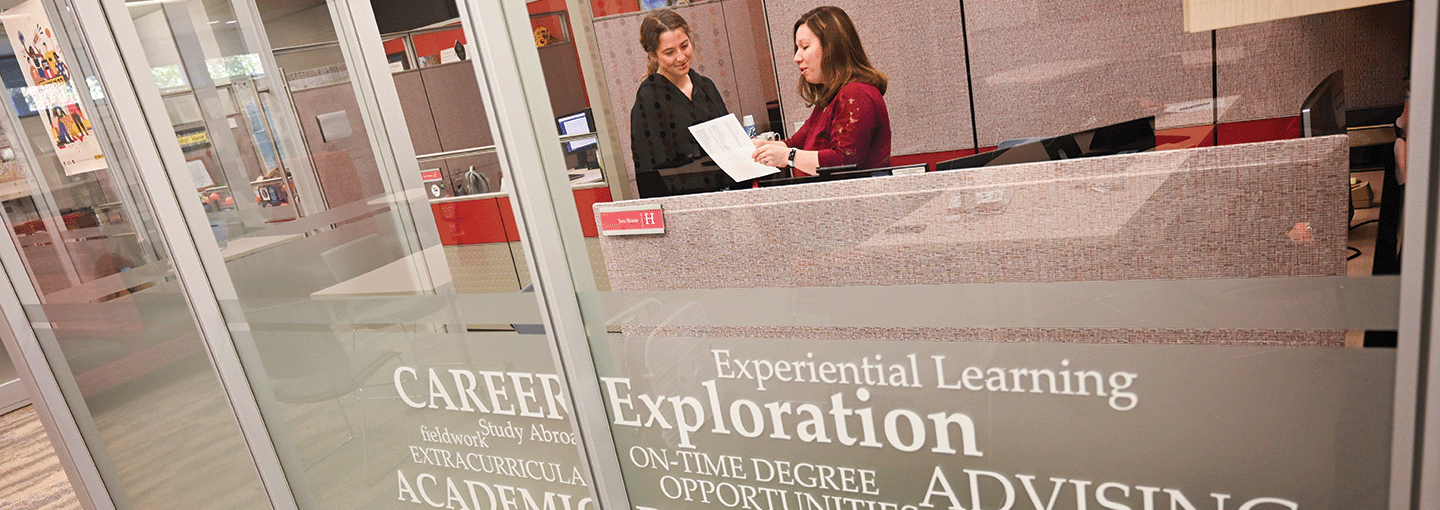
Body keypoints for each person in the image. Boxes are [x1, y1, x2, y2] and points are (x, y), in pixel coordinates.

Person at [753, 6, 891, 175]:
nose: (796, 58)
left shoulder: (856, 93)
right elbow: (795, 144)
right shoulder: (830, 100)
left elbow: (845, 162)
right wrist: (760, 148)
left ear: (831, 48)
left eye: (804, 47)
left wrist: (788, 157)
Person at [629, 9, 732, 197]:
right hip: (685, 203)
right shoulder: (649, 99)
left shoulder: (706, 87)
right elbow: (649, 174)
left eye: (684, 46)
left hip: (725, 196)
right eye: (669, 52)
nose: (681, 57)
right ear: (653, 54)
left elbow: (730, 144)